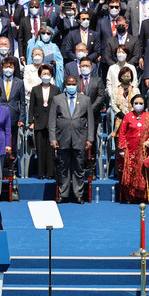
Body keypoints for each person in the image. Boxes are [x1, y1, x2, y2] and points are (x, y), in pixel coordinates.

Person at [49, 75, 94, 204]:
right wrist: (52, 138)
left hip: (80, 138)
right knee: (63, 167)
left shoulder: (85, 99)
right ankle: (63, 194)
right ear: (65, 85)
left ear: (77, 85)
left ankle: (78, 194)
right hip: (62, 138)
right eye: (69, 84)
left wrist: (90, 139)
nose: (71, 86)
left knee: (79, 168)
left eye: (73, 84)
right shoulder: (57, 99)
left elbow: (90, 120)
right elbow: (52, 120)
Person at [117, 94, 149, 203]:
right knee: (131, 173)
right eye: (136, 103)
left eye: (141, 103)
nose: (138, 105)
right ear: (132, 105)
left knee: (142, 173)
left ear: (144, 104)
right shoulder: (127, 117)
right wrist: (122, 148)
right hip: (130, 151)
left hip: (144, 151)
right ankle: (130, 197)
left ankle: (142, 197)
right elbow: (122, 133)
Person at [0, 57, 25, 164]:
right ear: (2, 67)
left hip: (14, 117)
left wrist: (22, 118)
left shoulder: (19, 83)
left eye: (10, 67)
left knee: (12, 143)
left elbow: (23, 102)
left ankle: (12, 166)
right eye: (6, 67)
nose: (8, 69)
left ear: (14, 68)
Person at [28, 64, 59, 179]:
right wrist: (30, 121)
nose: (46, 76)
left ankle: (50, 173)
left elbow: (59, 106)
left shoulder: (56, 89)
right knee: (40, 149)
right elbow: (31, 107)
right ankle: (41, 173)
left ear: (51, 75)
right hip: (39, 122)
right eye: (44, 74)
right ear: (40, 75)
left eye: (48, 74)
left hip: (52, 123)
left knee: (51, 149)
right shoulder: (35, 89)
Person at [26, 26, 64, 90]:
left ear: (51, 35)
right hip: (38, 72)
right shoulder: (37, 44)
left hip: (51, 73)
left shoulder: (54, 47)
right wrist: (37, 33)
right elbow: (30, 46)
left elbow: (60, 61)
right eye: (43, 33)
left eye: (48, 33)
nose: (45, 35)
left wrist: (55, 63)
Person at [18, 0, 50, 64]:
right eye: (32, 7)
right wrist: (21, 55)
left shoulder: (45, 19)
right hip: (28, 50)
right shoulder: (23, 20)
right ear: (29, 7)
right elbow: (20, 38)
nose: (34, 8)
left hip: (42, 49)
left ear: (39, 8)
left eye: (36, 7)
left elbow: (49, 37)